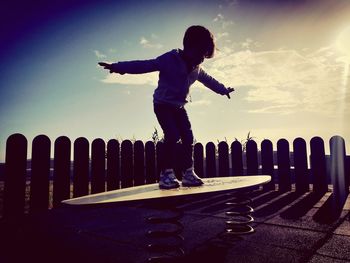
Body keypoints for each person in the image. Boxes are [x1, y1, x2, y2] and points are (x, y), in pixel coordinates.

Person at [99, 25, 234, 189]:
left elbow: (210, 80)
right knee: (172, 135)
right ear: (190, 47)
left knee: (188, 137)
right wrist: (118, 67)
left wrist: (223, 89)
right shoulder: (169, 59)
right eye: (201, 53)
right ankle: (166, 173)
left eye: (205, 55)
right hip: (162, 104)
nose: (202, 59)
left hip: (179, 107)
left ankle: (188, 173)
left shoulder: (197, 69)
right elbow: (145, 65)